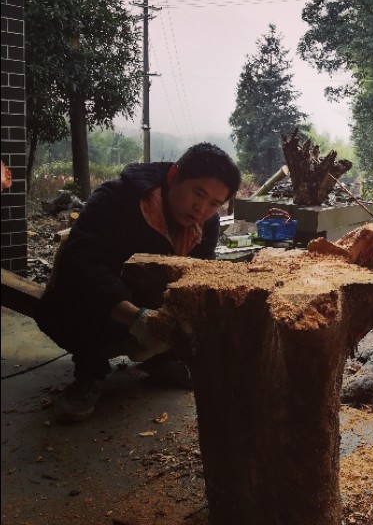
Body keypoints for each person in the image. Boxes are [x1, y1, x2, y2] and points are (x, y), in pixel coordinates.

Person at [35, 142, 241, 424]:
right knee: (71, 300)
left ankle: (160, 360)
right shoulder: (116, 198)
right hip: (101, 305)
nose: (201, 209)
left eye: (214, 203)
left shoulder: (207, 223)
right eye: (198, 193)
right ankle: (89, 373)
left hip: (154, 305)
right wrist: (136, 320)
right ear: (173, 176)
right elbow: (81, 262)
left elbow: (197, 273)